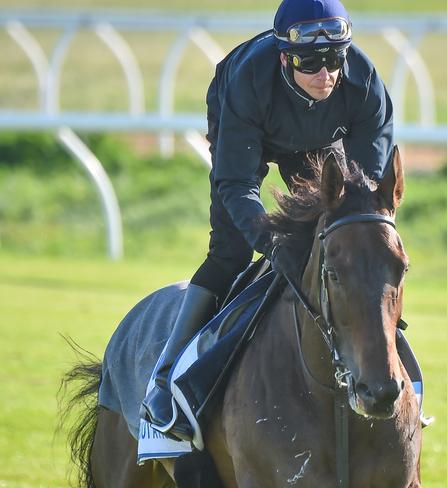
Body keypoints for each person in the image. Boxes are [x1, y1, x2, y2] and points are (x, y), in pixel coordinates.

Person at [141, 0, 394, 435]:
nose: (326, 74)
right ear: (284, 57)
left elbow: (362, 190)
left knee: (359, 252)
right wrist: (270, 240)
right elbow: (237, 185)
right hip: (249, 123)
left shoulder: (365, 82)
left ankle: (388, 368)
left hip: (321, 147)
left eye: (334, 59)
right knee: (232, 251)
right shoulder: (248, 83)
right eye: (310, 63)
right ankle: (165, 381)